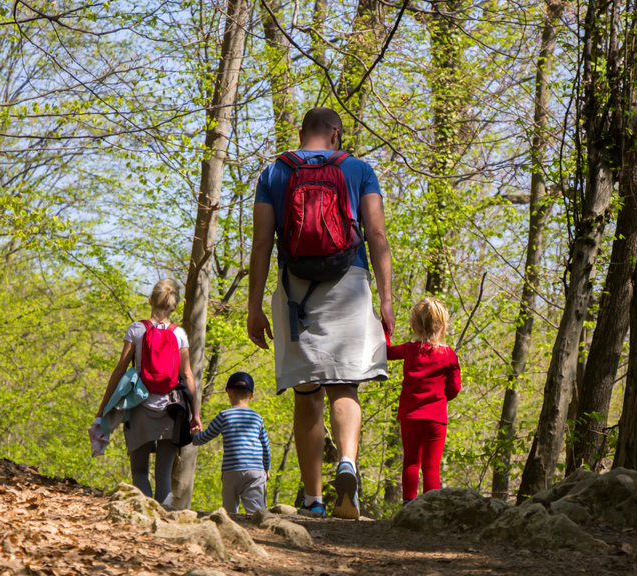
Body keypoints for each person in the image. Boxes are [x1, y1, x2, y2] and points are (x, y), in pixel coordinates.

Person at [247, 107, 394, 519]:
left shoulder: (275, 172)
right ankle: (347, 462)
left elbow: (261, 243)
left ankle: (313, 500)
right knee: (345, 386)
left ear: (301, 132)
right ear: (336, 134)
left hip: (297, 291)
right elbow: (377, 233)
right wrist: (385, 299)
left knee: (307, 394)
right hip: (349, 282)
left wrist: (254, 306)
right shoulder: (358, 169)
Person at [96, 279, 201, 507]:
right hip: (172, 410)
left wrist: (104, 407)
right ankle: (164, 523)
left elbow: (120, 370)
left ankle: (146, 521)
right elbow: (188, 376)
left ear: (150, 300)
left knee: (140, 472)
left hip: (139, 407)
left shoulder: (136, 329)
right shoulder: (179, 334)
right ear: (175, 306)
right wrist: (195, 414)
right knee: (163, 476)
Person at [386, 297, 461, 504]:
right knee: (431, 465)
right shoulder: (449, 355)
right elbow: (454, 390)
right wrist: (441, 396)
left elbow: (386, 352)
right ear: (444, 327)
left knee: (411, 462)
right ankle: (431, 506)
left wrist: (385, 329)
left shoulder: (409, 349)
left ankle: (408, 504)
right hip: (435, 420)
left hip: (410, 416)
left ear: (414, 326)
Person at [192, 372, 271, 513]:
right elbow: (265, 446)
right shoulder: (257, 417)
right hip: (255, 470)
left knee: (229, 512)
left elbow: (205, 437)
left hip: (231, 470)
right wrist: (267, 468)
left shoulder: (223, 415)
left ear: (229, 393)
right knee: (256, 513)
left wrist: (194, 435)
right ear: (251, 395)